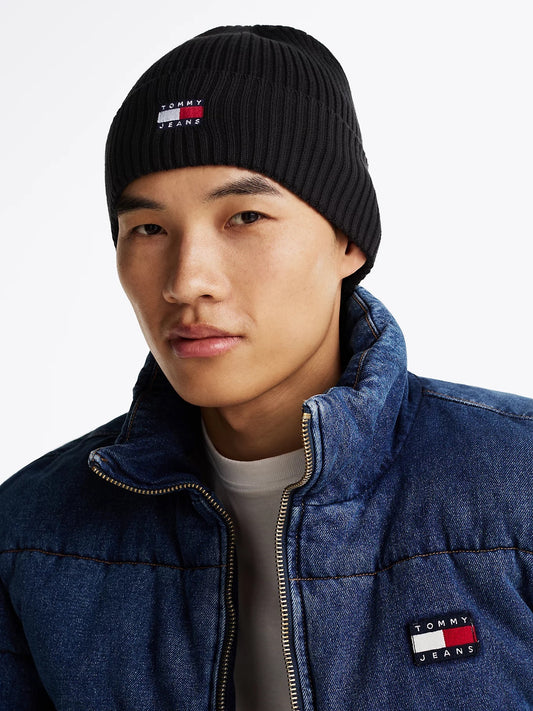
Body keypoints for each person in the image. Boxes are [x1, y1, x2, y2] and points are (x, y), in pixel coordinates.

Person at [1, 24, 532, 711]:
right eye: (149, 229)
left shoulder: (517, 482)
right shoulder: (29, 534)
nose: (187, 281)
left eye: (245, 217)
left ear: (348, 241)